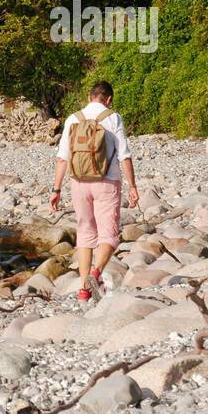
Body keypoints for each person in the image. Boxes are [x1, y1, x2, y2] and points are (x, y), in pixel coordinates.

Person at [49, 81, 139, 301]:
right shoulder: (113, 118)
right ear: (108, 99)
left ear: (90, 97)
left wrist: (56, 189)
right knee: (109, 236)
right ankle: (95, 273)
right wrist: (133, 186)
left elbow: (63, 158)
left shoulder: (73, 119)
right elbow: (124, 155)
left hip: (78, 183)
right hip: (107, 183)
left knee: (85, 235)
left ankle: (83, 289)